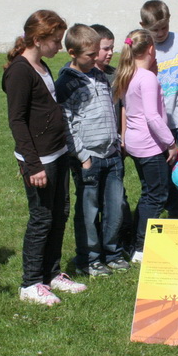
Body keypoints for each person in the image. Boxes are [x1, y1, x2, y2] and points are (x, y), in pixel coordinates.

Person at [2, 10, 86, 306]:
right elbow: (17, 121)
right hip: (39, 159)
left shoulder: (41, 65)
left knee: (59, 214)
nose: (59, 47)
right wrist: (33, 165)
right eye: (55, 41)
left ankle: (51, 274)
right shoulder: (19, 72)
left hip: (58, 152)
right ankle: (30, 283)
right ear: (38, 39)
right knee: (41, 218)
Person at [55, 24, 128, 277]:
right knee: (89, 210)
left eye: (99, 50)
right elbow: (66, 123)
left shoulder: (100, 75)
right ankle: (89, 258)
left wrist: (117, 139)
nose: (98, 56)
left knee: (115, 207)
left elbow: (112, 110)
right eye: (91, 54)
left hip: (112, 154)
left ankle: (113, 253)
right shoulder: (66, 83)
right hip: (88, 159)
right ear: (73, 52)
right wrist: (83, 157)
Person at [112, 29, 178, 263]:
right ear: (151, 48)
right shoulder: (147, 77)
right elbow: (152, 116)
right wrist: (170, 143)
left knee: (148, 192)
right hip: (150, 145)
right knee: (157, 195)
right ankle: (141, 246)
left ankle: (136, 240)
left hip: (135, 142)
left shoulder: (128, 74)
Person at [140, 0, 178, 219]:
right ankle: (177, 215)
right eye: (154, 30)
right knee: (168, 172)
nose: (160, 33)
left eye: (164, 27)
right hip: (159, 124)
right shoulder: (144, 50)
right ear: (143, 26)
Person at [90, 23, 134, 257]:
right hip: (90, 151)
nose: (110, 53)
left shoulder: (114, 75)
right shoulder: (76, 75)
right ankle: (94, 249)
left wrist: (124, 137)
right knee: (92, 202)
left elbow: (123, 108)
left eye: (112, 48)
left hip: (114, 147)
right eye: (105, 49)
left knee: (117, 199)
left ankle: (119, 241)